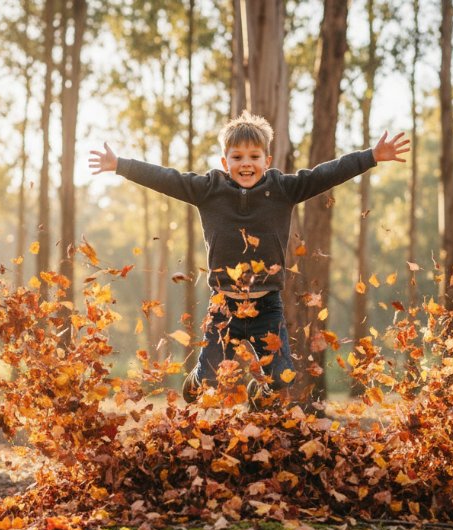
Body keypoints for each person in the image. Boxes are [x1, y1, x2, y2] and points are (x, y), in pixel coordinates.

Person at [89, 111, 410, 407]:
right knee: (212, 378)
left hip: (266, 305)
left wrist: (370, 157)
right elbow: (166, 177)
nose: (246, 163)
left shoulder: (283, 188)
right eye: (237, 157)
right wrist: (120, 165)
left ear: (267, 159)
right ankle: (198, 378)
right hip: (224, 305)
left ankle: (261, 391)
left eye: (254, 157)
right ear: (224, 160)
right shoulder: (207, 189)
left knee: (282, 376)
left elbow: (324, 174)